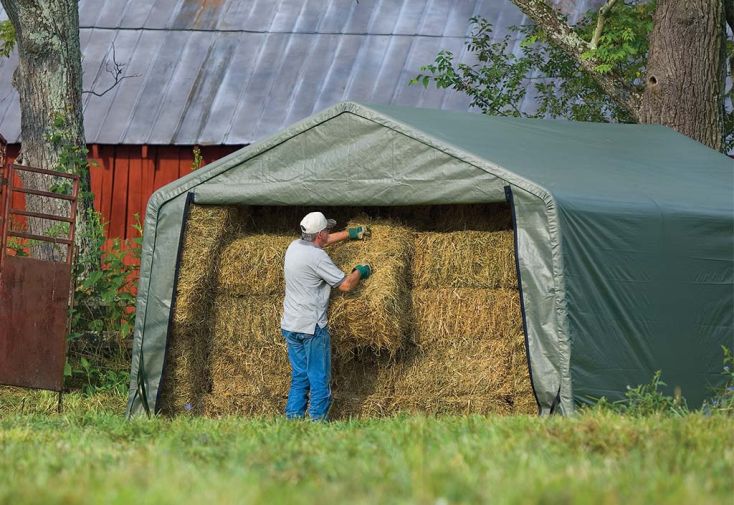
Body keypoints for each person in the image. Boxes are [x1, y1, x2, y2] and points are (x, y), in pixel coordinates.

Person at [280, 211, 371, 421]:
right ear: (319, 234)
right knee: (319, 377)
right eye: (327, 230)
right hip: (311, 328)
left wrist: (350, 234)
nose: (329, 233)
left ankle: (292, 420)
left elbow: (324, 241)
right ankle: (317, 423)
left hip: (290, 325)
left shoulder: (294, 246)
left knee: (300, 376)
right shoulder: (318, 257)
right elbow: (346, 285)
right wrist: (360, 271)